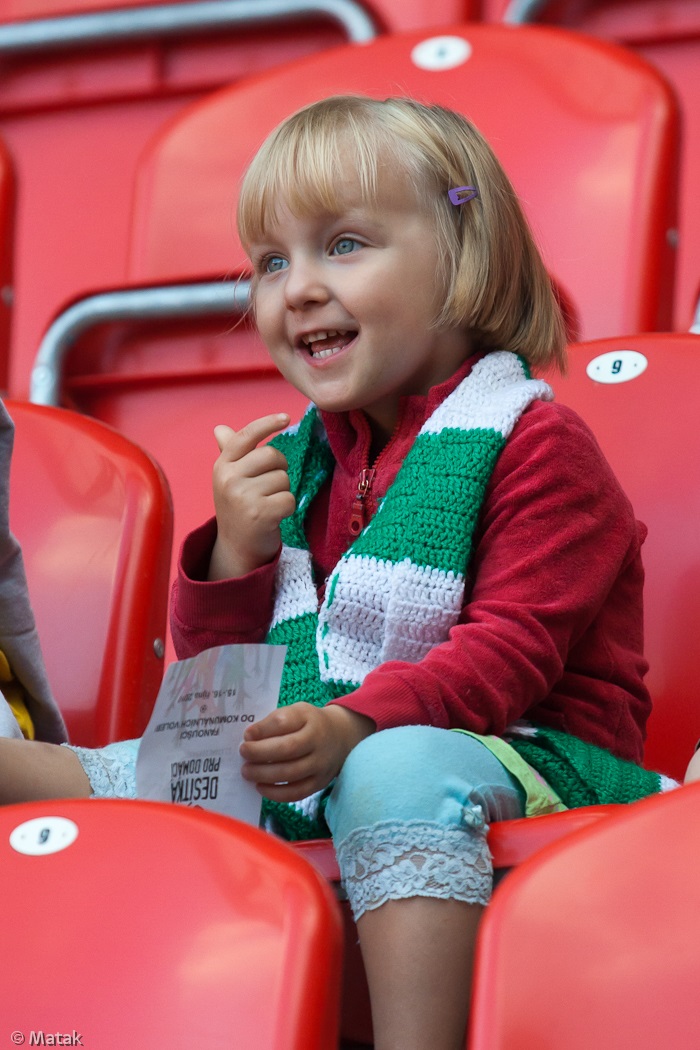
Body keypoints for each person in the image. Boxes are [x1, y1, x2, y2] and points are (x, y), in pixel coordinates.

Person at [0, 96, 677, 1050]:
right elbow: (217, 689)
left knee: (389, 766)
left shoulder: (538, 445)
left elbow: (508, 657)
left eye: (344, 245)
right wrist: (234, 556)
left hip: (537, 759)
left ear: (465, 254)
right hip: (327, 747)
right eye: (271, 262)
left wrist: (353, 724)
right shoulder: (302, 460)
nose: (298, 290)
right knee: (85, 775)